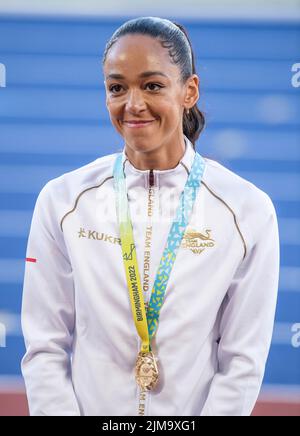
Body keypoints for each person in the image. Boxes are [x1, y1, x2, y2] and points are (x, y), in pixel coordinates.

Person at [21, 16, 280, 416]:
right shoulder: (63, 201)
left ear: (189, 91)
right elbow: (45, 345)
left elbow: (242, 362)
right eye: (117, 88)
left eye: (153, 85)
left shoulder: (246, 211)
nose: (133, 104)